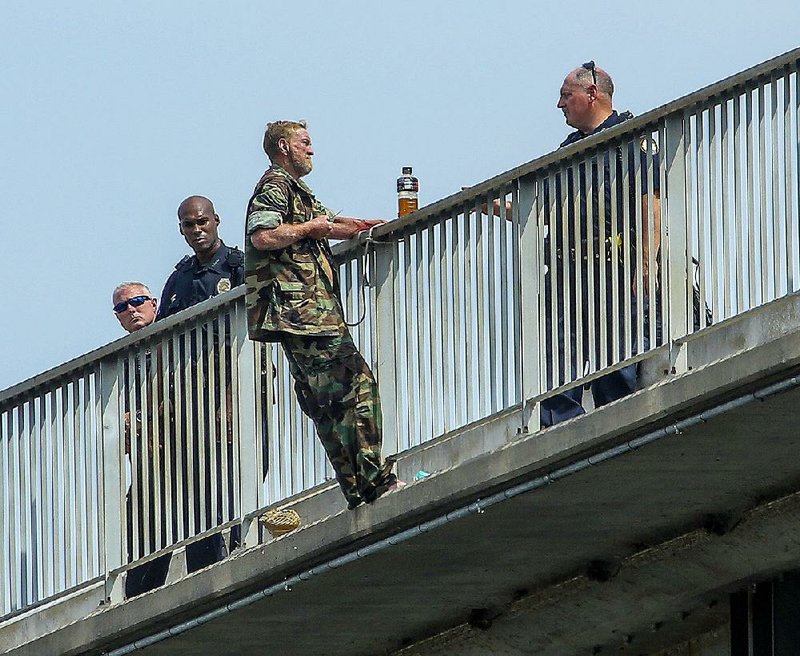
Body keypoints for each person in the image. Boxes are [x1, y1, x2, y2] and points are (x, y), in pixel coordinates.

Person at [244, 120, 403, 510]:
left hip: (303, 315)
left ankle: (358, 490)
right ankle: (376, 481)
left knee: (327, 403)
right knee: (358, 386)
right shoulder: (275, 185)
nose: (312, 150)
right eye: (305, 143)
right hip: (302, 314)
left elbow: (331, 225)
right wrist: (308, 228)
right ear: (285, 146)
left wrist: (372, 226)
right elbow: (261, 236)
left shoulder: (296, 190)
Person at [540, 61, 661, 426]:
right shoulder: (568, 149)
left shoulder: (629, 136)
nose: (559, 105)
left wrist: (646, 260)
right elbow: (542, 213)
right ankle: (558, 440)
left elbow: (649, 199)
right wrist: (493, 206)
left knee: (616, 366)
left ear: (592, 94)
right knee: (559, 364)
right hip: (570, 273)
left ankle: (620, 432)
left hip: (614, 270)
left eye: (566, 95)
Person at [112, 282, 172, 598]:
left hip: (184, 452)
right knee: (143, 530)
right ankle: (139, 602)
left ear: (153, 303)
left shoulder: (175, 336)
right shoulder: (121, 359)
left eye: (136, 302)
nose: (131, 309)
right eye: (122, 307)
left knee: (202, 523)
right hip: (148, 464)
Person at [157, 195, 244, 320]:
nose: (197, 230)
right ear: (181, 229)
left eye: (202, 222)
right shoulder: (177, 279)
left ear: (216, 220)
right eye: (188, 225)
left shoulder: (239, 267)